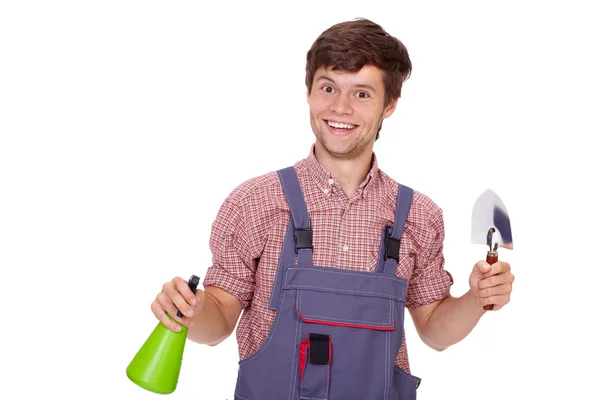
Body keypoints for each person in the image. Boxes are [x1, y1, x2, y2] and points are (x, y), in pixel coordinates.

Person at [151, 18, 514, 399]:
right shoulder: (254, 202)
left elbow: (435, 331)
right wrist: (190, 312)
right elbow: (219, 320)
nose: (340, 108)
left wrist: (477, 299)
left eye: (361, 94)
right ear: (308, 92)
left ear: (389, 105)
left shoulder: (418, 216)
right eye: (328, 88)